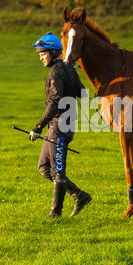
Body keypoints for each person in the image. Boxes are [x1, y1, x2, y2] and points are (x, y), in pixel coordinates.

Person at [30, 31, 92, 218]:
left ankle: (55, 213)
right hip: (61, 126)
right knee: (43, 168)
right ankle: (79, 196)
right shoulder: (67, 69)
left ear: (53, 51)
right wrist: (71, 72)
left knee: (58, 171)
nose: (41, 58)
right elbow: (82, 93)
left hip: (60, 127)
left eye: (43, 54)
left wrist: (38, 127)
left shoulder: (57, 72)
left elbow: (54, 103)